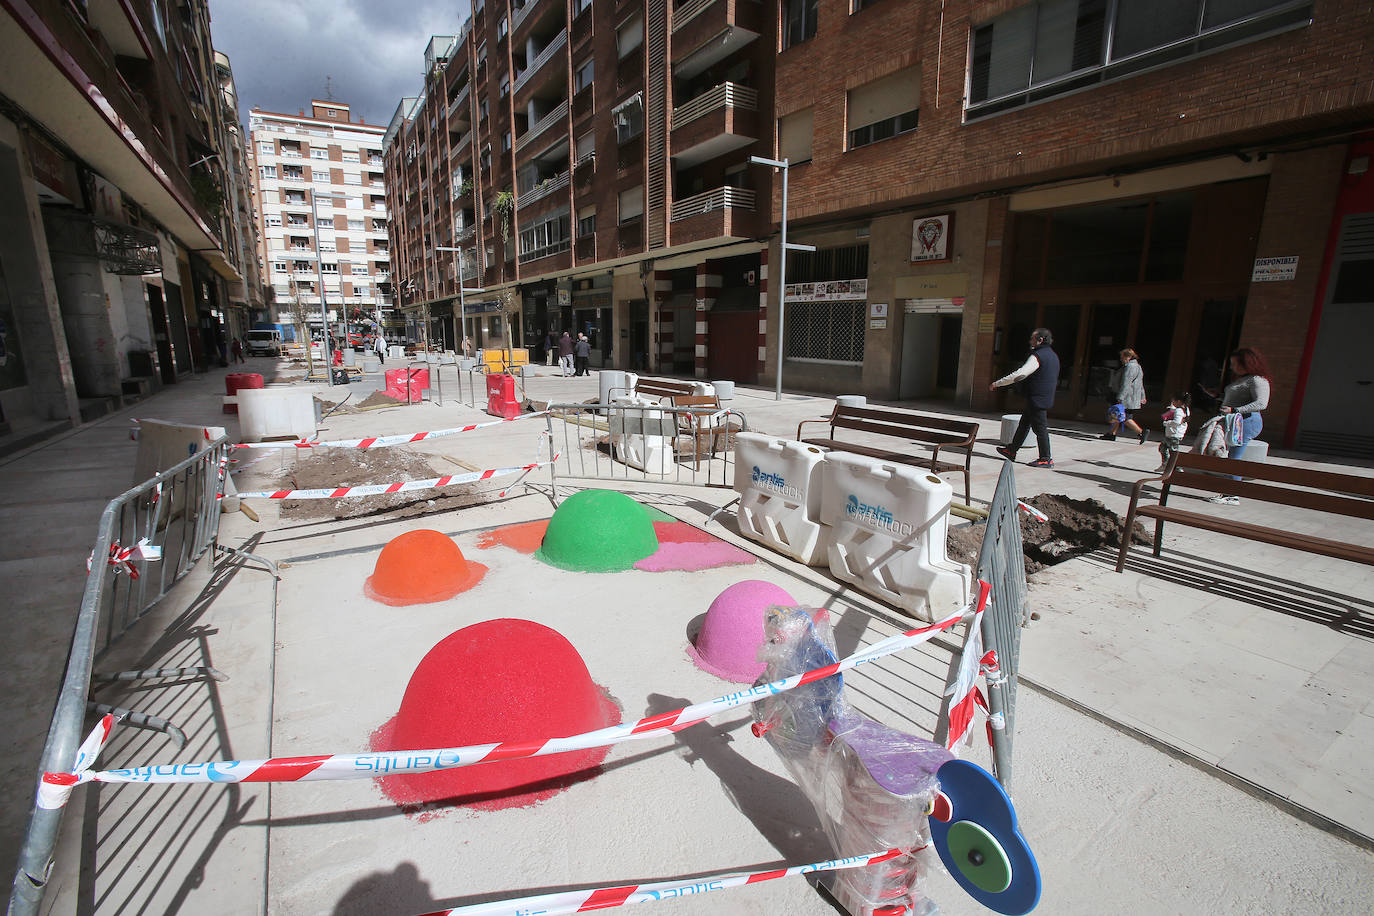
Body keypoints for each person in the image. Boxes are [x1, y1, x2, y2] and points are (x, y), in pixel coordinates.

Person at [1207, 347, 1271, 505]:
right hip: (1236, 421)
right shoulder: (1243, 379)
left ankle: (1232, 494)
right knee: (1232, 456)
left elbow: (1261, 403)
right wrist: (1219, 396)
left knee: (1234, 457)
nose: (1232, 367)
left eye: (1235, 364)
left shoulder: (1257, 380)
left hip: (1246, 421)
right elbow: (1238, 398)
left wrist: (1235, 410)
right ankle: (1228, 492)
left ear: (1247, 363)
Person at [990, 327, 1060, 469]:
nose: (1030, 341)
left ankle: (1046, 458)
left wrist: (998, 383)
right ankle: (1011, 450)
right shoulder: (1053, 355)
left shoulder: (1038, 356)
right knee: (1024, 425)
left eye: (1032, 338)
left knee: (1040, 429)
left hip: (1037, 398)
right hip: (1041, 397)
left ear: (1040, 340)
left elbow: (1020, 374)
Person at [1101, 348, 1147, 442]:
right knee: (1117, 414)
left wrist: (1120, 397)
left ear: (1128, 357)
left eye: (1122, 357)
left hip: (1126, 397)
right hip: (1130, 396)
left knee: (1124, 417)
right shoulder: (1137, 367)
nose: (1121, 359)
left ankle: (1141, 432)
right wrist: (1142, 396)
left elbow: (1126, 383)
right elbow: (1140, 384)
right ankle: (1111, 434)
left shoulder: (1130, 367)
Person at [1156, 392, 1191, 473]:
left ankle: (1176, 467)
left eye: (1173, 401)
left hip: (1174, 434)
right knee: (1163, 448)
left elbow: (1177, 422)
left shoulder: (1179, 410)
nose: (1172, 403)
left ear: (1178, 401)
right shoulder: (1186, 409)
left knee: (1173, 452)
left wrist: (1167, 422)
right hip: (1174, 434)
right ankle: (1165, 464)